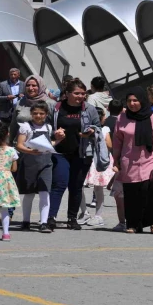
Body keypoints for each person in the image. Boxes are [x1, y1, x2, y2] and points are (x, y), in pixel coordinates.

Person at [113, 86, 153, 234]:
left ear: (142, 100)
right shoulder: (122, 118)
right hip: (129, 161)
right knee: (132, 193)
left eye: (135, 100)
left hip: (150, 159)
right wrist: (116, 160)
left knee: (150, 191)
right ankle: (133, 223)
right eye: (129, 101)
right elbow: (118, 141)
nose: (132, 104)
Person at [48, 78, 100, 231]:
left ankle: (72, 218)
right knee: (59, 184)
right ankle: (51, 217)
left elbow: (97, 127)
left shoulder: (89, 109)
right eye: (77, 93)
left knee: (76, 186)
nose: (80, 96)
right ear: (67, 94)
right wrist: (54, 134)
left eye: (83, 94)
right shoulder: (56, 108)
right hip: (60, 152)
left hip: (82, 153)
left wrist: (91, 131)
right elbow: (46, 127)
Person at [16, 101, 65, 233]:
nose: (38, 116)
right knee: (29, 193)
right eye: (35, 113)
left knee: (45, 192)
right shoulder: (25, 127)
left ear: (46, 114)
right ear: (31, 114)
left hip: (46, 164)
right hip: (29, 163)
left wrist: (59, 140)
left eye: (41, 113)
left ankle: (43, 222)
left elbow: (49, 144)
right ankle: (26, 221)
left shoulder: (48, 128)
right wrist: (30, 151)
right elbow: (19, 145)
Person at [80, 107, 114, 227]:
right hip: (94, 160)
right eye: (104, 116)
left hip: (92, 160)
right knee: (95, 188)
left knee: (86, 187)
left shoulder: (98, 129)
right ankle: (91, 214)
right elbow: (110, 144)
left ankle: (90, 213)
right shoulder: (103, 129)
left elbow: (109, 145)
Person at [9, 75, 57, 145]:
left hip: (42, 147)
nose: (30, 88)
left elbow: (55, 126)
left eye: (34, 85)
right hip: (21, 146)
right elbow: (14, 125)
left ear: (41, 86)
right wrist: (10, 141)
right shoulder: (21, 102)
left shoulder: (51, 104)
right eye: (28, 85)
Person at [105, 99, 126, 231]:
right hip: (120, 162)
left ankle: (123, 222)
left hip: (114, 160)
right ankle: (126, 222)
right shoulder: (123, 122)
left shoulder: (106, 122)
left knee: (120, 199)